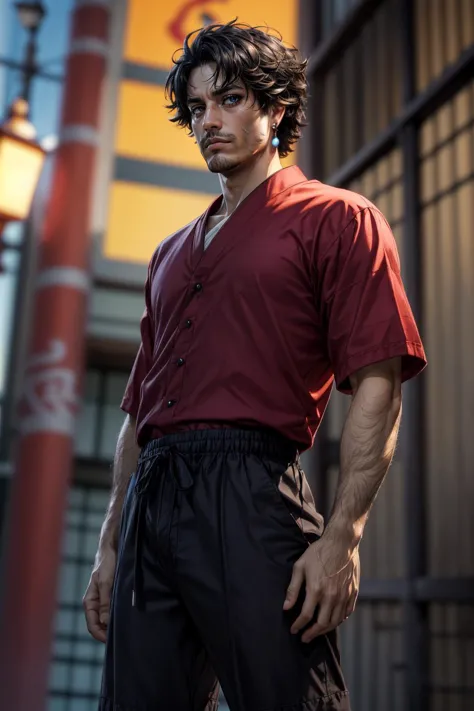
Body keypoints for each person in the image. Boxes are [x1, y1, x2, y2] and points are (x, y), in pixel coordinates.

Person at [83, 21, 427, 711]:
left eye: (231, 99)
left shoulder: (339, 219)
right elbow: (137, 413)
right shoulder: (169, 252)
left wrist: (343, 537)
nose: (210, 120)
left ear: (276, 109)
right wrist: (111, 540)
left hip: (252, 488)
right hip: (154, 495)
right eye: (199, 107)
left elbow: (379, 386)